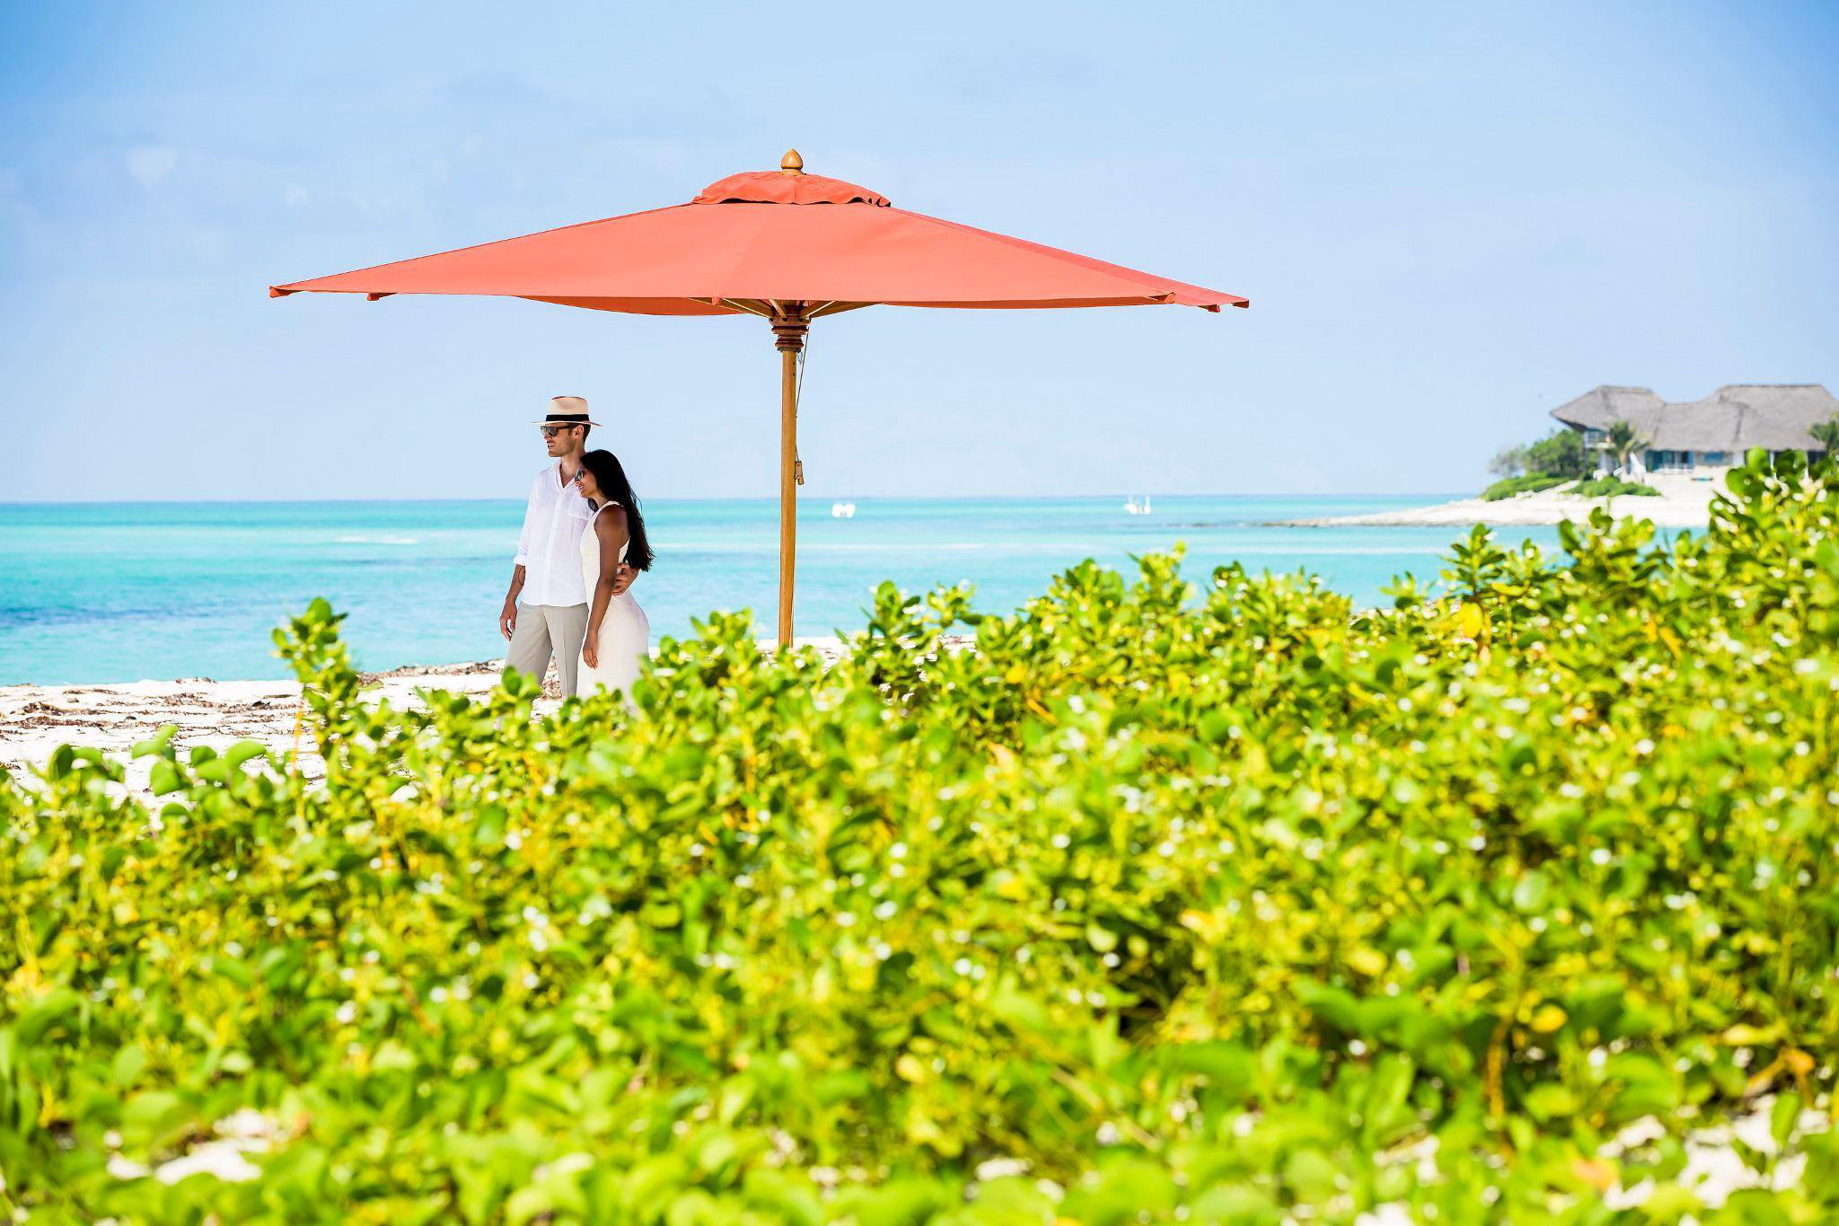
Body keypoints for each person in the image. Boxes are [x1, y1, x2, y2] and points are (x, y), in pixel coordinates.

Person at [500, 396, 634, 696]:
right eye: (544, 431)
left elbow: (628, 533)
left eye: (553, 430)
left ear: (578, 431)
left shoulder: (598, 484)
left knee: (577, 694)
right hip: (532, 602)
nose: (546, 438)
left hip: (574, 604)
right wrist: (511, 598)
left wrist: (633, 570)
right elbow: (526, 545)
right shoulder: (541, 482)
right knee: (511, 695)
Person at [573, 449, 654, 697]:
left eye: (582, 473)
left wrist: (592, 632)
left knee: (605, 699)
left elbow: (606, 578)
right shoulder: (607, 514)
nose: (577, 480)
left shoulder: (610, 515)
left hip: (614, 622)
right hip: (613, 617)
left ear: (601, 475)